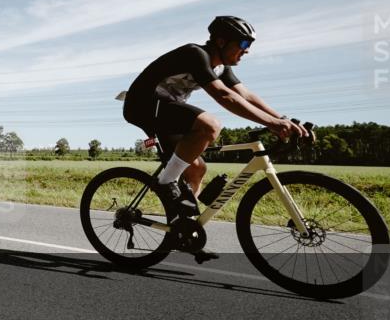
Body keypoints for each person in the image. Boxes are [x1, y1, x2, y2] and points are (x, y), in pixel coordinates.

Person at [122, 16, 307, 221]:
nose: (247, 50)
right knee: (210, 126)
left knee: (196, 169)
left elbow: (245, 95)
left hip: (167, 110)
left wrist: (283, 119)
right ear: (221, 42)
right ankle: (165, 183)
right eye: (244, 43)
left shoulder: (220, 67)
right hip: (143, 106)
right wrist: (272, 123)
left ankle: (183, 228)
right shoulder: (195, 54)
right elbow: (225, 96)